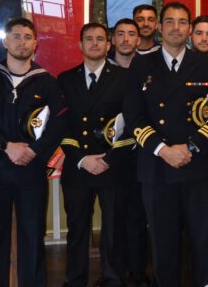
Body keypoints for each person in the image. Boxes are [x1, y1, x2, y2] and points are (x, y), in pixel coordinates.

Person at [123, 2, 208, 286]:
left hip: (198, 168)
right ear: (159, 27)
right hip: (157, 168)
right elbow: (133, 116)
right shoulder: (141, 64)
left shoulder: (206, 65)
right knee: (163, 244)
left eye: (182, 22)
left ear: (190, 29)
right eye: (170, 21)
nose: (176, 27)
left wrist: (190, 148)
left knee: (203, 243)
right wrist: (164, 150)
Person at [0, 18, 66, 287]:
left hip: (31, 170)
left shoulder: (46, 82)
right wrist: (5, 146)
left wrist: (34, 151)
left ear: (35, 44)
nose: (21, 41)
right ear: (5, 41)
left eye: (27, 37)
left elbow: (59, 122)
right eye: (16, 36)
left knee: (33, 235)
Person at [58, 23, 134, 287]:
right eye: (88, 39)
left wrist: (108, 160)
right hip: (78, 167)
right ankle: (75, 280)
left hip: (113, 166)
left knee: (114, 229)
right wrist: (81, 159)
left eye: (100, 39)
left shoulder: (125, 78)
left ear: (108, 44)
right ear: (80, 45)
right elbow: (61, 126)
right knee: (77, 229)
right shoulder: (65, 79)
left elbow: (133, 125)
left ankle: (113, 279)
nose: (94, 43)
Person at [108, 17, 151, 287]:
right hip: (109, 158)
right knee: (114, 218)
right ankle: (114, 272)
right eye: (120, 34)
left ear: (139, 40)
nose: (125, 39)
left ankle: (138, 271)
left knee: (138, 216)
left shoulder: (148, 69)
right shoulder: (102, 70)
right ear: (113, 39)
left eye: (131, 34)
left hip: (141, 155)